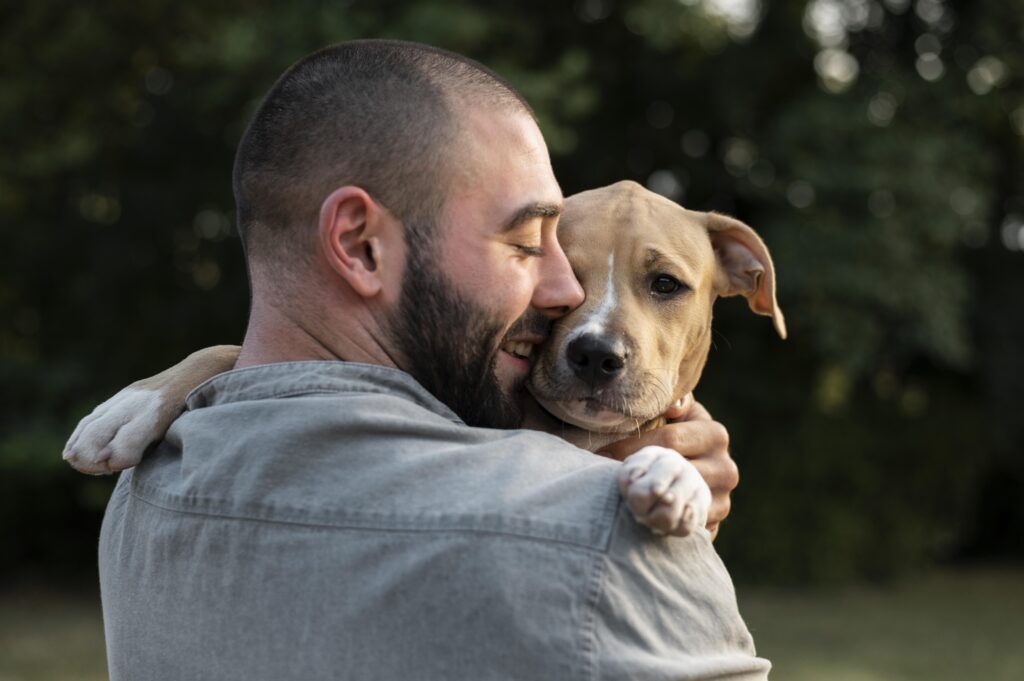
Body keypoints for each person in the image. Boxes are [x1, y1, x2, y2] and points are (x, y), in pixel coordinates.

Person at [97, 40, 770, 680]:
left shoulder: (142, 491)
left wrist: (211, 370)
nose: (564, 294)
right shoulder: (601, 544)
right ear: (359, 246)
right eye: (523, 243)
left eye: (663, 285)